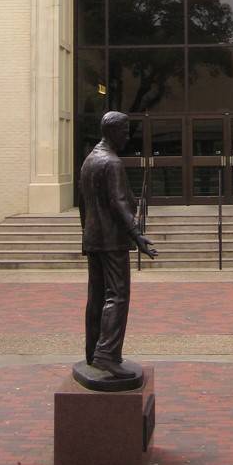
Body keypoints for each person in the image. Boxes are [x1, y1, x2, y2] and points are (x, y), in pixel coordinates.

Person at [79, 111, 158, 378]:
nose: (128, 136)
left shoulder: (89, 160)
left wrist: (85, 236)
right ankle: (107, 355)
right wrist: (137, 235)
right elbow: (119, 203)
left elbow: (84, 205)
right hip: (111, 240)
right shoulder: (112, 163)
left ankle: (92, 352)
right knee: (117, 295)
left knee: (97, 296)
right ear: (112, 131)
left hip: (93, 239)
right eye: (124, 131)